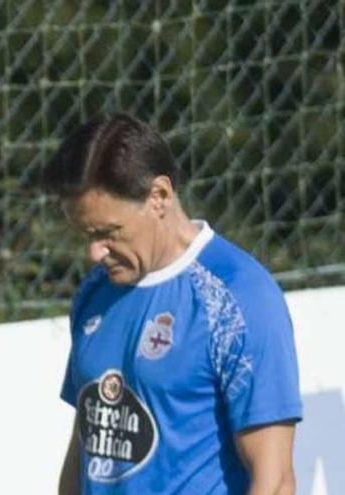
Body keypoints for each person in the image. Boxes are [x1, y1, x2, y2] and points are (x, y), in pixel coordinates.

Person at [43, 113, 302, 494]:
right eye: (84, 234)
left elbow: (275, 480)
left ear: (159, 196)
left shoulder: (239, 298)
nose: (94, 252)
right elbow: (88, 441)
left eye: (108, 233)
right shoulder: (95, 292)